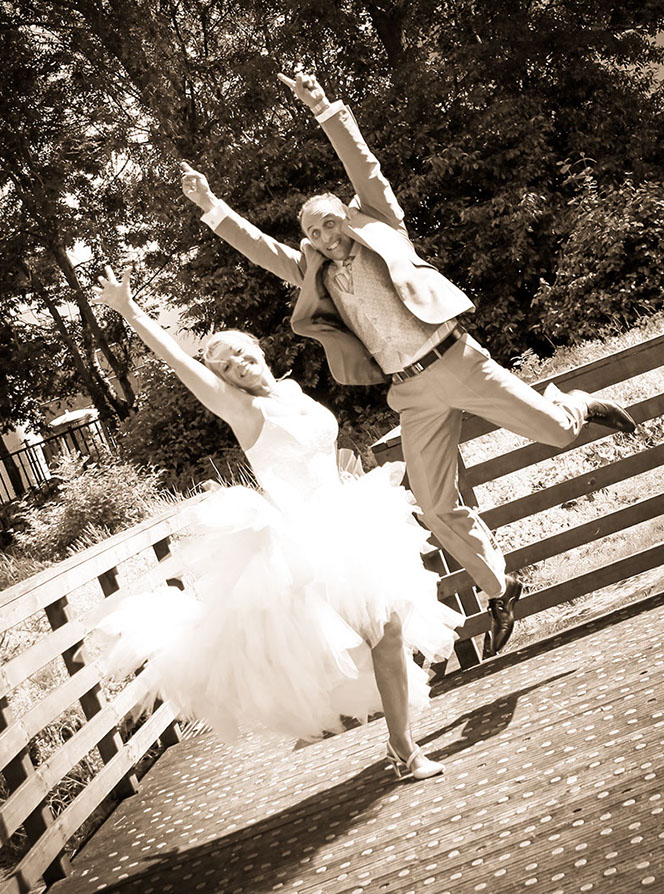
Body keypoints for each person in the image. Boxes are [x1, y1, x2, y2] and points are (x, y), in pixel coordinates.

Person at [180, 69, 636, 657]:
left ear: (347, 217)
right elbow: (262, 249)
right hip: (411, 393)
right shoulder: (316, 273)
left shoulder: (383, 227)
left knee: (554, 432)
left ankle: (573, 404)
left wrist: (323, 108)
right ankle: (501, 587)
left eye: (330, 222)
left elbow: (364, 169)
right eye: (314, 232)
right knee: (435, 502)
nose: (326, 235)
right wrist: (211, 206)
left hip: (458, 360)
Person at [90, 265, 466, 780]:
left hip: (350, 521)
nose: (238, 365)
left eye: (240, 353)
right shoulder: (243, 410)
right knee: (382, 633)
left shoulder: (290, 392)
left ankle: (400, 746)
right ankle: (401, 749)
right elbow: (178, 360)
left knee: (389, 633)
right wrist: (131, 312)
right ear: (223, 380)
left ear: (257, 348)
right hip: (307, 543)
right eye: (226, 366)